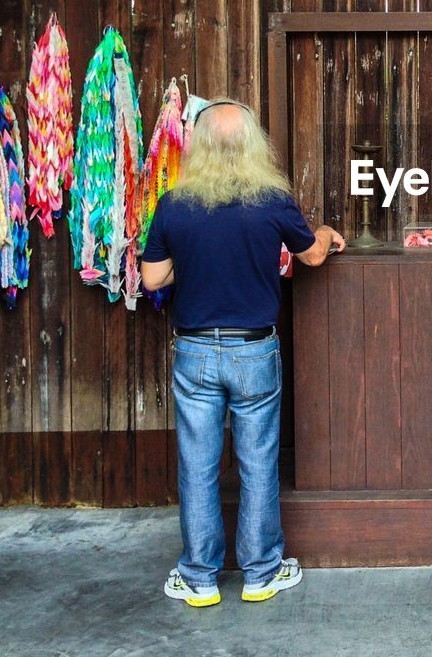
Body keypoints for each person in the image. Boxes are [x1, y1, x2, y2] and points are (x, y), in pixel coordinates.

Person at [141, 98, 344, 607]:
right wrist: (323, 233)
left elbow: (152, 278)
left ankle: (200, 579)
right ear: (254, 145)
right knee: (257, 463)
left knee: (197, 466)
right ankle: (260, 573)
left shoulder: (174, 204)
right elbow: (312, 255)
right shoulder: (272, 199)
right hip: (254, 351)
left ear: (199, 147)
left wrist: (193, 261)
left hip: (195, 351)